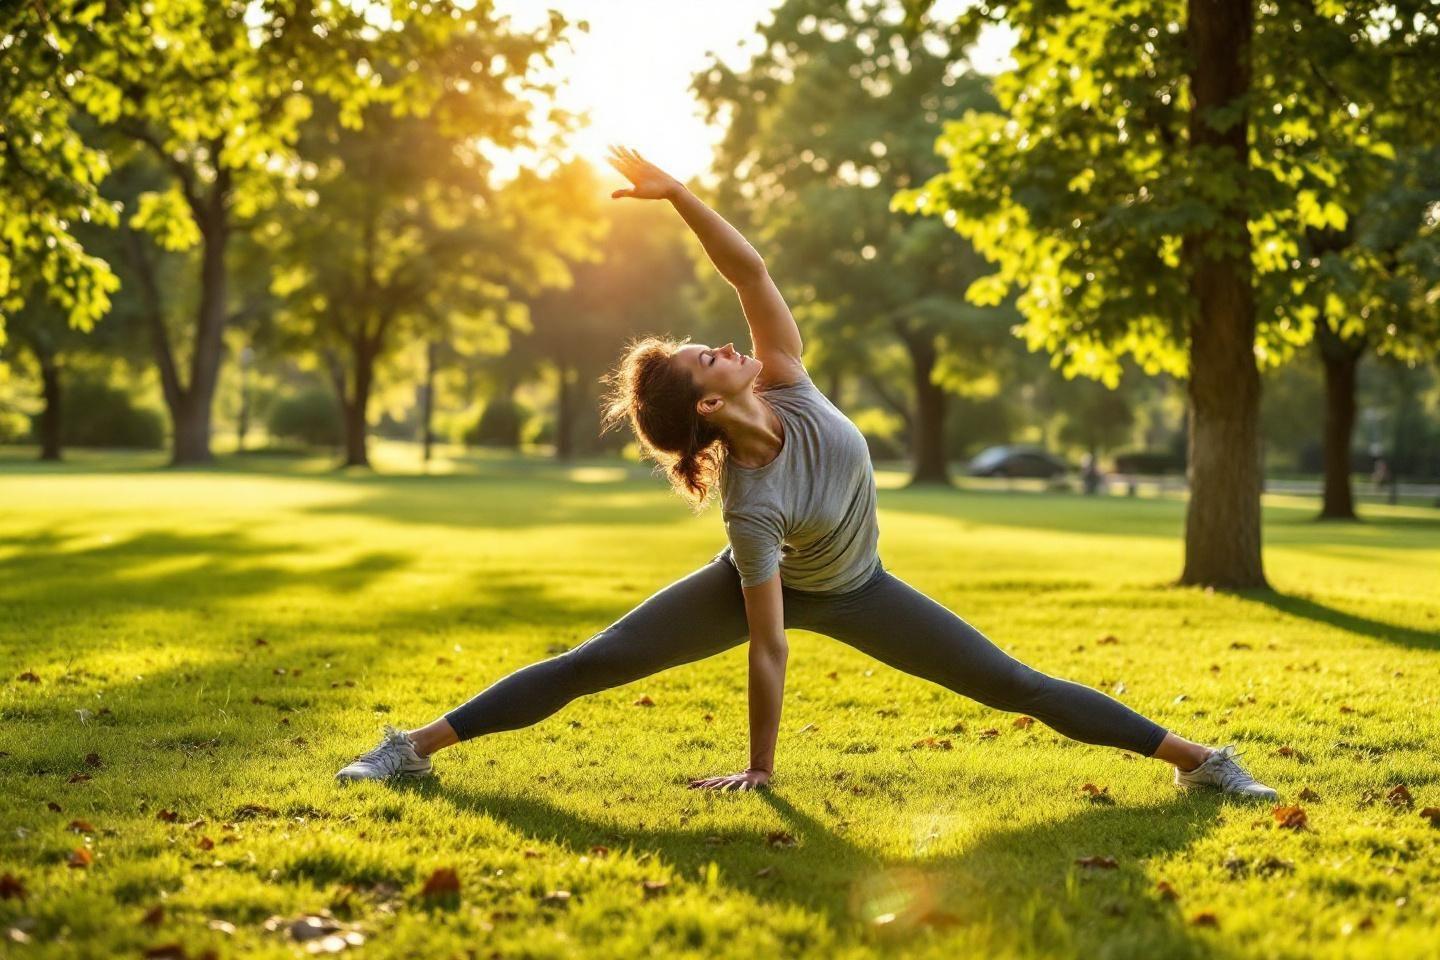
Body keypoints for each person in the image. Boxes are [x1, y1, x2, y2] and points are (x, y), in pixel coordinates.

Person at [336, 145, 1278, 801]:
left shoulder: (785, 379)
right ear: (708, 405)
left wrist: (679, 196)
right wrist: (762, 768)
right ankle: (408, 750)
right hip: (783, 585)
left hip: (863, 588)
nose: (720, 344)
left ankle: (1203, 762)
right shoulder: (752, 511)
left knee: (1014, 685)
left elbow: (749, 271)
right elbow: (769, 645)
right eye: (706, 358)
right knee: (599, 662)